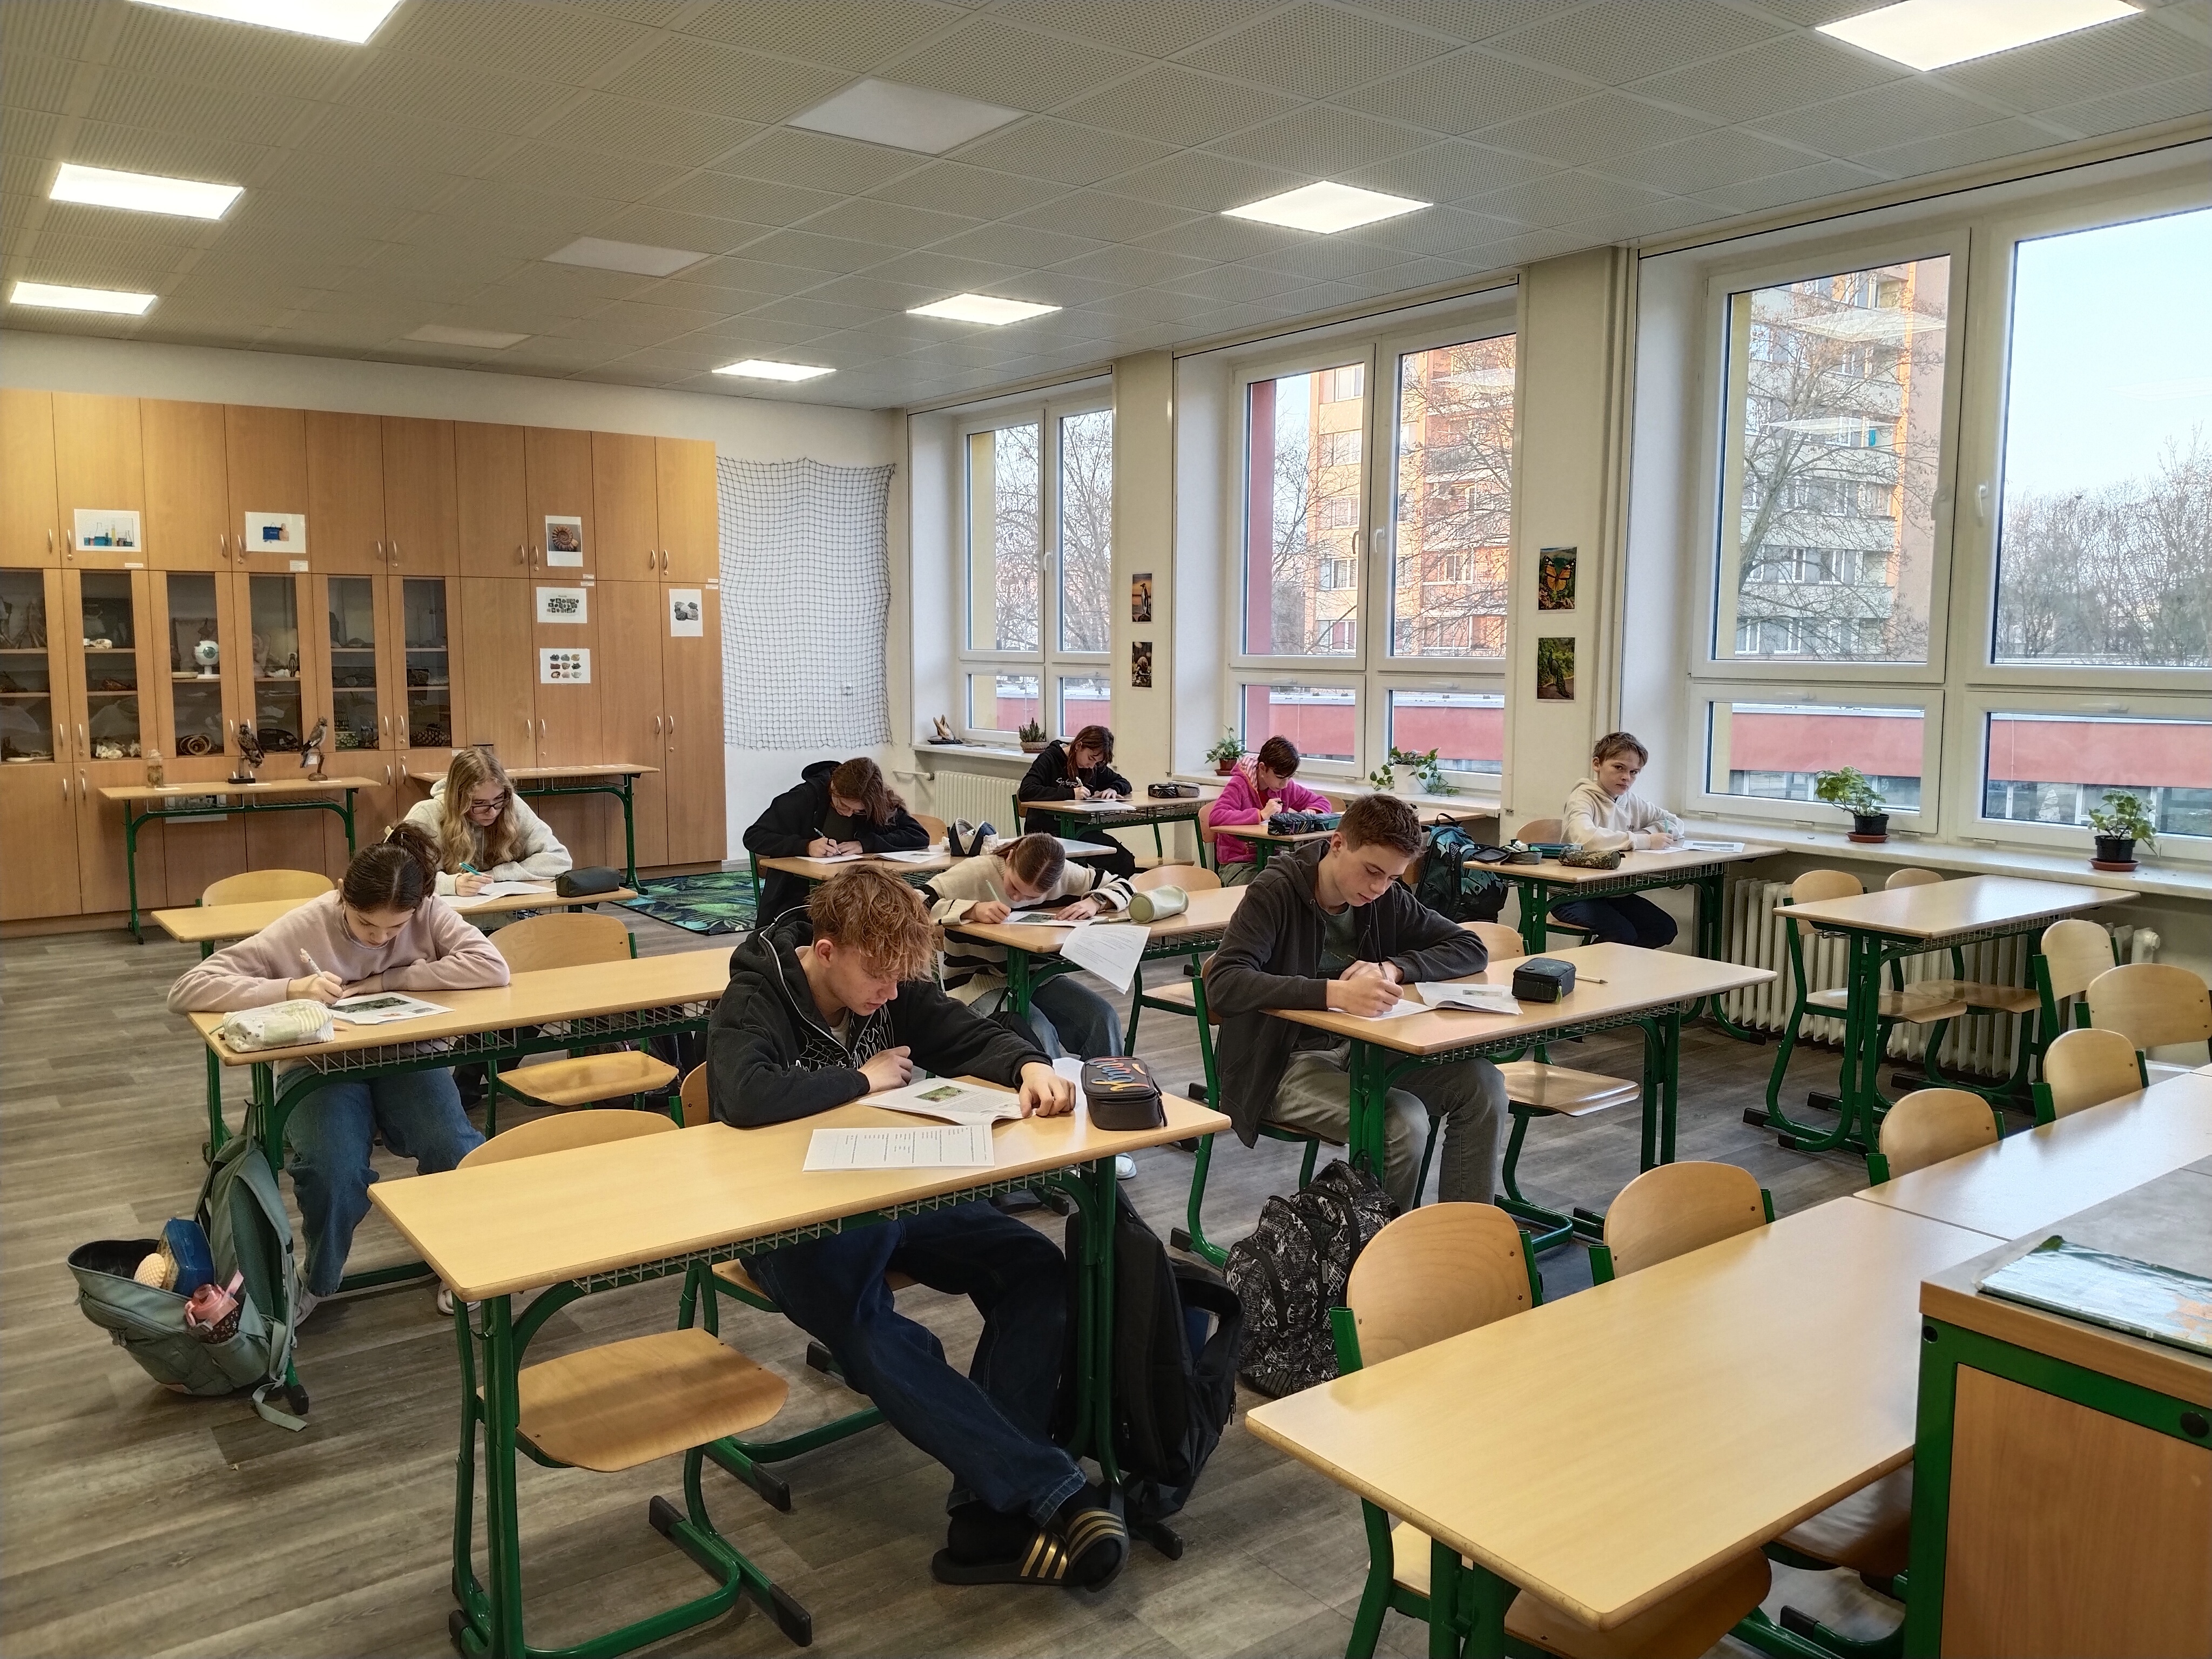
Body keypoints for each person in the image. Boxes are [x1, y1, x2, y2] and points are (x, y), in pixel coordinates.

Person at [706, 865, 1128, 1590]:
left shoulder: (889, 983)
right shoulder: (757, 992)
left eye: (900, 977)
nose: (890, 993)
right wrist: (862, 1080)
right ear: (826, 950)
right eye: (878, 976)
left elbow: (965, 1034)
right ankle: (1051, 1491)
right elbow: (744, 1096)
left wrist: (1027, 1065)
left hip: (889, 1190)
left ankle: (987, 1508)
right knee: (869, 1330)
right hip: (790, 1220)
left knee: (1033, 1267)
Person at [168, 825, 509, 1321]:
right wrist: (290, 989)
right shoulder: (307, 923)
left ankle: (460, 1257)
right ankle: (319, 1280)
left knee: (454, 1147)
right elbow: (188, 989)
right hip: (319, 1064)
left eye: (395, 929)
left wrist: (389, 978)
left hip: (404, 1055)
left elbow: (493, 968)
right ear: (344, 893)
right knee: (334, 1172)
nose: (380, 938)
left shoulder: (428, 910)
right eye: (367, 924)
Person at [1202, 793, 1506, 1215]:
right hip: (1279, 1064)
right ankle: (1378, 1247)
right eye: (1372, 872)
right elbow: (1224, 983)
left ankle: (1466, 1234)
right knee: (1401, 1121)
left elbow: (1470, 947)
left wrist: (1395, 968)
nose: (1379, 887)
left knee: (1483, 1086)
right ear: (1338, 844)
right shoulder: (1275, 890)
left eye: (1393, 878)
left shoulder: (1383, 897)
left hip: (1364, 1050)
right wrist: (1333, 994)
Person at [923, 832, 1131, 1060]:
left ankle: (1105, 1084)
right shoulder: (976, 871)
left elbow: (1125, 885)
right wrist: (971, 910)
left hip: (1038, 976)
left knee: (1103, 1018)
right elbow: (914, 901)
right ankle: (1048, 1083)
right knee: (1039, 1031)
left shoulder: (1062, 874)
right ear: (1010, 857)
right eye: (1014, 886)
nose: (1017, 898)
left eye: (1032, 896)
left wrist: (1096, 901)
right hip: (977, 982)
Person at [744, 756, 930, 925]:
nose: (848, 814)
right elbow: (754, 836)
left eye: (858, 811)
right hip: (800, 897)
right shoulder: (805, 797)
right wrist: (806, 846)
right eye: (843, 805)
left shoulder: (876, 803)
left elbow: (918, 835)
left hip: (858, 895)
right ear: (833, 787)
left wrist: (865, 844)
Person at [1555, 731, 1680, 949]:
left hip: (1612, 892)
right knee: (1622, 933)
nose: (1626, 778)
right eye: (1619, 768)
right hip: (1572, 895)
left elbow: (1674, 822)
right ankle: (1585, 966)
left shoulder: (1629, 800)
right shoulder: (1582, 798)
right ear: (1597, 764)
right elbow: (1585, 839)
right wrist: (1644, 842)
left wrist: (1646, 835)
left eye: (1634, 772)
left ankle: (1619, 965)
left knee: (1663, 928)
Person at [402, 745, 571, 896]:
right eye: (479, 803)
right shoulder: (427, 814)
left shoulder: (510, 805)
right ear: (458, 799)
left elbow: (560, 859)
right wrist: (451, 884)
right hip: (445, 916)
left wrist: (498, 874)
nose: (492, 811)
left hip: (500, 911)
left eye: (498, 799)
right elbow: (400, 878)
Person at [1208, 736, 1334, 886]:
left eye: (1289, 777)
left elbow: (1322, 802)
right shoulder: (1239, 784)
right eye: (1280, 778)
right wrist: (1260, 814)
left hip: (1273, 861)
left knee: (1304, 885)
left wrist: (1312, 811)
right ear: (1262, 768)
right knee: (1267, 889)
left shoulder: (1286, 786)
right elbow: (1216, 816)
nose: (1285, 784)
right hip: (1239, 864)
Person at [1018, 725, 1136, 879]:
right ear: (1079, 746)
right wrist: (1071, 793)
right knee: (1072, 870)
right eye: (1091, 758)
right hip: (1047, 831)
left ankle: (1106, 891)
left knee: (1124, 863)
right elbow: (1027, 791)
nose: (1092, 766)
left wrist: (1114, 789)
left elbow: (1124, 783)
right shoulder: (1050, 758)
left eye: (1097, 762)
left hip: (1081, 830)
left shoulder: (1093, 767)